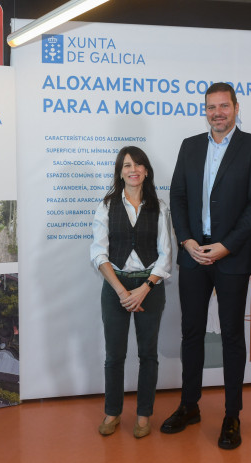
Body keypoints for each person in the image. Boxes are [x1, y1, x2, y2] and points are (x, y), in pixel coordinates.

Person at [164, 82, 251, 449]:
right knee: (191, 333)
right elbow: (177, 197)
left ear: (236, 108)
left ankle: (231, 416)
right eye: (211, 107)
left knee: (230, 337)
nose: (218, 113)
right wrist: (187, 240)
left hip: (232, 255)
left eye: (224, 106)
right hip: (194, 254)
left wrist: (225, 246)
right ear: (205, 111)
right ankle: (189, 406)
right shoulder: (190, 146)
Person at [90, 146, 172, 439]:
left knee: (148, 354)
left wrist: (143, 290)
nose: (133, 169)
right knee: (115, 355)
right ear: (120, 171)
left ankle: (143, 415)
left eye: (138, 165)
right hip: (116, 288)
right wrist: (123, 292)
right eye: (127, 165)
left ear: (146, 170)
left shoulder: (159, 207)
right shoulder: (106, 205)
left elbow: (165, 255)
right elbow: (99, 254)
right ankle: (112, 412)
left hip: (150, 288)